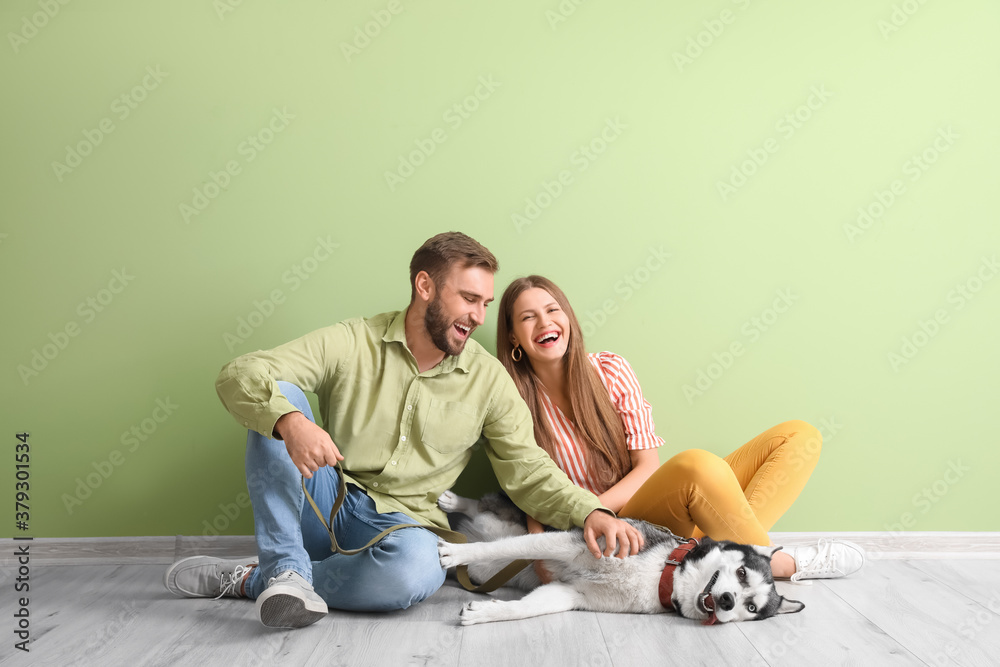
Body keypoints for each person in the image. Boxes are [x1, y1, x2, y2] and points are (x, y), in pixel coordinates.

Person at [163, 233, 644, 629]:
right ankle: (284, 567)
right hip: (323, 495)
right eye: (469, 299)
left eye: (486, 303)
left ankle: (261, 579)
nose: (479, 317)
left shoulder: (490, 380)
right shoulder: (354, 340)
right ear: (425, 287)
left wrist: (590, 511)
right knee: (279, 394)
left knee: (417, 572)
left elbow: (528, 469)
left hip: (401, 529)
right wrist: (290, 422)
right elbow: (240, 373)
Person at [496, 275, 865, 583]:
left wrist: (595, 508)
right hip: (610, 531)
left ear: (568, 318)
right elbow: (530, 486)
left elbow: (647, 468)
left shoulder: (609, 370)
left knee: (799, 437)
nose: (545, 323)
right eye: (528, 318)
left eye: (552, 310)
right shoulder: (513, 400)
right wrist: (545, 547)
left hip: (643, 504)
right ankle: (780, 565)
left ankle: (724, 554)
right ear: (513, 337)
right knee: (696, 468)